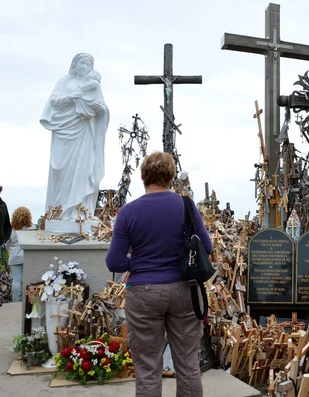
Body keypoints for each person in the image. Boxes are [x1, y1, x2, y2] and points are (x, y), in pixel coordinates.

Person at [106, 152, 212, 397]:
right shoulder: (186, 206)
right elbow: (206, 248)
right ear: (171, 177)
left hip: (143, 292)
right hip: (185, 289)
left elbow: (115, 261)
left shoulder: (128, 212)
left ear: (142, 176)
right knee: (188, 365)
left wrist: (137, 261)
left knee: (146, 368)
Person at [40, 53, 110, 221]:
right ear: (75, 64)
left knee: (83, 169)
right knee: (63, 171)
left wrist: (95, 108)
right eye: (82, 63)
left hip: (85, 131)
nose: (84, 66)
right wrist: (71, 97)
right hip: (64, 129)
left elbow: (102, 110)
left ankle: (80, 212)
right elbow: (54, 101)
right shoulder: (64, 82)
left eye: (88, 64)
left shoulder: (93, 86)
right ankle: (59, 213)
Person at [6, 207, 33, 302]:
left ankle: (16, 300)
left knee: (16, 280)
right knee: (29, 279)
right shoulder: (31, 228)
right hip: (27, 256)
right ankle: (29, 299)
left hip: (14, 257)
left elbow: (6, 244)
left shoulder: (11, 230)